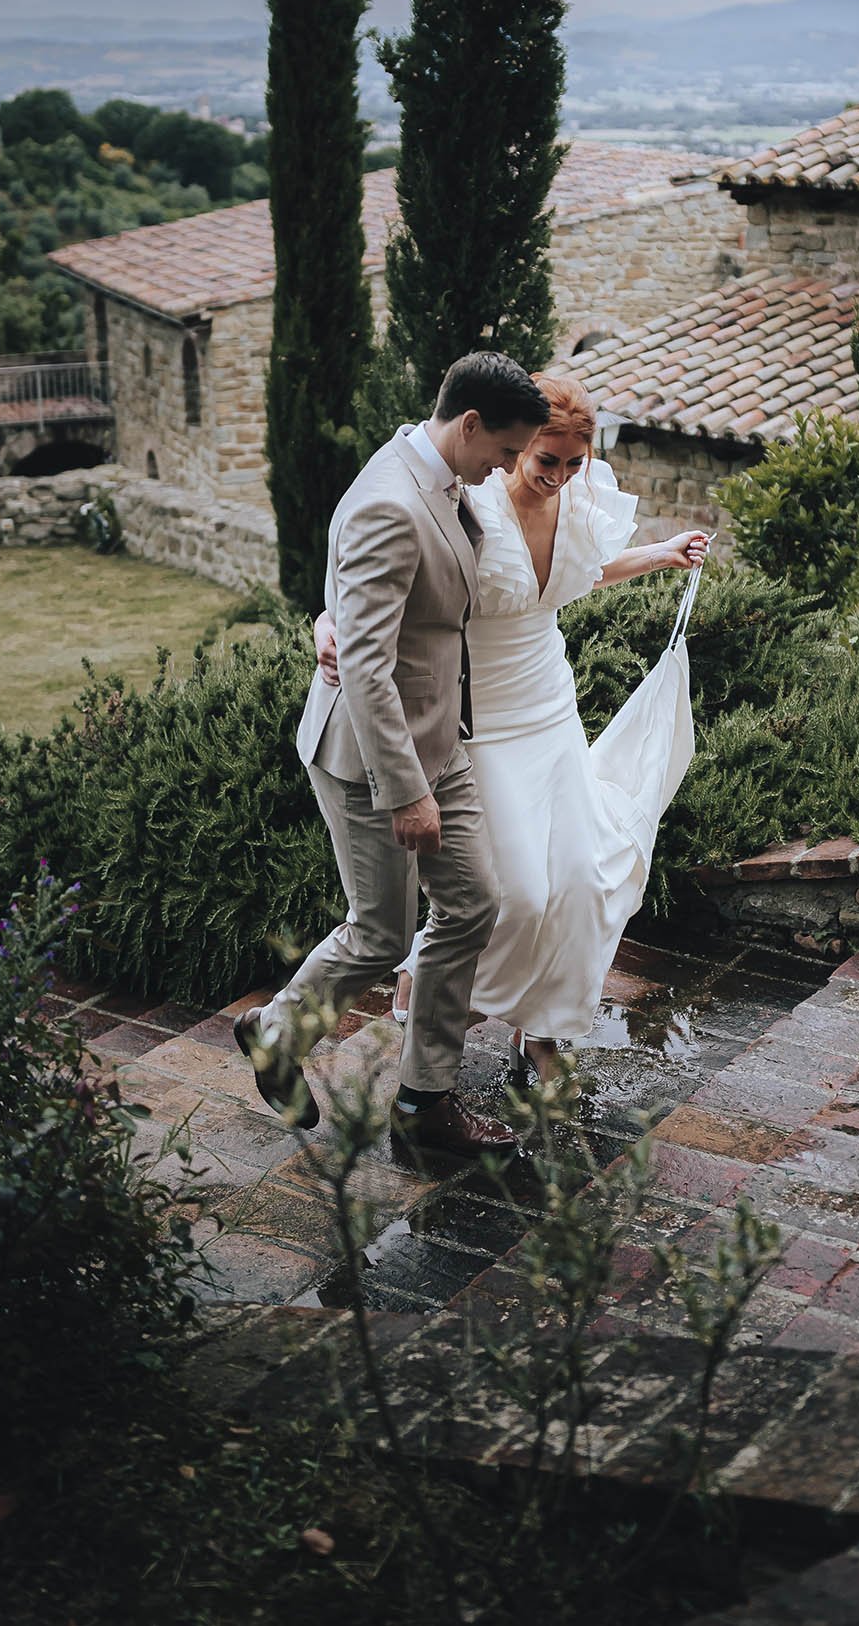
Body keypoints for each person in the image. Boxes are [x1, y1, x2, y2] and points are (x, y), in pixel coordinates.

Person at [315, 374, 708, 1082]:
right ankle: (431, 982)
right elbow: (390, 578)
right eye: (542, 461)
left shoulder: (581, 497)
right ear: (516, 446)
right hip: (478, 718)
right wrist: (327, 621)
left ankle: (544, 1028)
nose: (557, 477)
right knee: (520, 894)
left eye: (571, 462)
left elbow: (576, 574)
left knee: (583, 881)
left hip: (550, 704)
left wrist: (658, 553)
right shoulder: (469, 497)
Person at [235, 350, 550, 1157]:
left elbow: (377, 606)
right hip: (374, 756)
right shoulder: (388, 498)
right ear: (470, 423)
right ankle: (277, 1034)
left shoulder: (434, 469)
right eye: (506, 451)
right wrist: (407, 791)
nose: (506, 469)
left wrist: (329, 615)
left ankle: (423, 1103)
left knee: (475, 901)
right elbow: (367, 666)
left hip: (444, 734)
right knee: (380, 934)